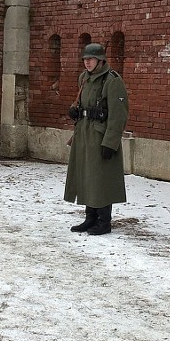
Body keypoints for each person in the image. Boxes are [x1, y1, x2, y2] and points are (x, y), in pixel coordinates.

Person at [64, 43, 129, 235]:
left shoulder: (112, 80)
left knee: (101, 179)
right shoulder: (84, 78)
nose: (87, 62)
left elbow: (119, 115)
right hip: (84, 133)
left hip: (101, 135)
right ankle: (90, 218)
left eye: (91, 59)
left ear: (101, 60)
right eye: (85, 59)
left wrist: (111, 142)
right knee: (86, 176)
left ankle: (103, 221)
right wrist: (74, 109)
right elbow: (83, 102)